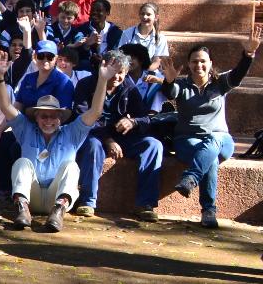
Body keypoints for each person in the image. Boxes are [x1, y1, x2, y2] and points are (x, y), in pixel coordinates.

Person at [0, 46, 110, 232]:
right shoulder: (26, 129)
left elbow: (95, 112)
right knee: (21, 162)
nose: (48, 120)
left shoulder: (71, 132)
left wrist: (102, 80)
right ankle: (22, 210)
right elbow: (6, 107)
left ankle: (58, 213)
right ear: (36, 117)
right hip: (32, 197)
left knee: (71, 167)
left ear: (60, 118)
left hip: (58, 199)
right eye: (43, 116)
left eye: (53, 116)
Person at [162, 25, 260, 228]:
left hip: (222, 140)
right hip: (187, 141)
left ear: (210, 63)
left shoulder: (220, 83)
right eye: (194, 61)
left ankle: (191, 177)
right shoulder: (183, 85)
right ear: (188, 64)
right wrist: (168, 81)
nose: (199, 65)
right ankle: (208, 211)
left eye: (203, 61)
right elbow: (171, 92)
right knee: (211, 159)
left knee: (214, 139)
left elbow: (238, 74)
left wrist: (248, 54)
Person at [72, 50, 162, 221]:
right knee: (92, 145)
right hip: (95, 136)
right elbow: (82, 118)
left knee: (153, 145)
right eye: (113, 71)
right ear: (103, 67)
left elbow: (144, 118)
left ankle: (145, 204)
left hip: (124, 138)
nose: (116, 77)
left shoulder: (129, 88)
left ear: (126, 73)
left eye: (120, 73)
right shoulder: (85, 85)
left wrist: (133, 122)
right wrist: (108, 140)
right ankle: (87, 201)